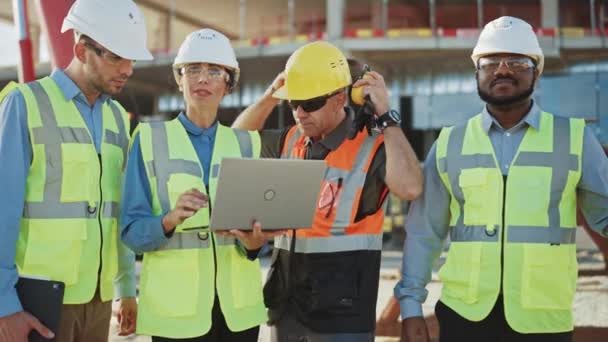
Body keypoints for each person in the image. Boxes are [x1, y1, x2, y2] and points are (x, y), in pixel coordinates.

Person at [395, 16, 608, 342]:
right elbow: (425, 232)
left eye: (518, 62)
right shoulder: (450, 143)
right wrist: (410, 306)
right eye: (490, 62)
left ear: (537, 71)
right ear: (476, 72)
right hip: (464, 317)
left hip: (543, 321)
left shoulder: (576, 139)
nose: (503, 70)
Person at [232, 41, 423, 342]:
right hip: (287, 310)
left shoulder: (372, 147)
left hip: (342, 318)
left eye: (310, 104)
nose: (299, 113)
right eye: (293, 102)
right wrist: (271, 95)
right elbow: (235, 142)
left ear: (338, 99)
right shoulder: (288, 140)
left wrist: (386, 115)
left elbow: (411, 187)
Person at [0, 0, 152, 341]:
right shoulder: (25, 104)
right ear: (81, 49)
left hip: (98, 300)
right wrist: (3, 304)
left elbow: (118, 209)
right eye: (117, 57)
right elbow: (1, 210)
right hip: (38, 299)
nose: (128, 69)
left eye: (132, 58)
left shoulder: (116, 118)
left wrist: (125, 286)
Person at [120, 28, 284, 342]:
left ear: (229, 84)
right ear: (179, 79)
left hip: (238, 315)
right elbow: (131, 232)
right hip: (175, 316)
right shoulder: (148, 139)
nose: (202, 79)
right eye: (192, 69)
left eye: (214, 71)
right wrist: (168, 220)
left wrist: (253, 244)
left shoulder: (247, 144)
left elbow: (253, 242)